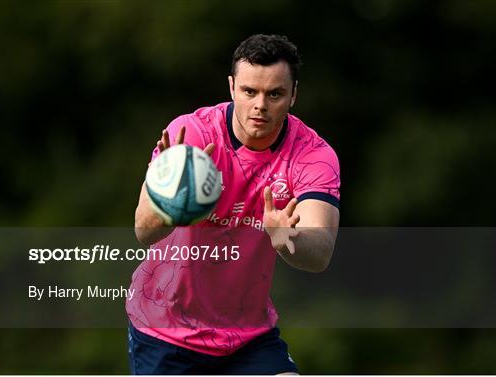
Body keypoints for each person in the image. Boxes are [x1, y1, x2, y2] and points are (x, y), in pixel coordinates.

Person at [126, 34, 340, 375]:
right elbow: (143, 230)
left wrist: (289, 239)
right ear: (231, 87)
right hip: (165, 329)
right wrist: (171, 202)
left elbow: (321, 252)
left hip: (247, 336)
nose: (260, 105)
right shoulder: (190, 134)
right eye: (249, 91)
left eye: (275, 94)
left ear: (293, 94)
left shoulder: (313, 156)